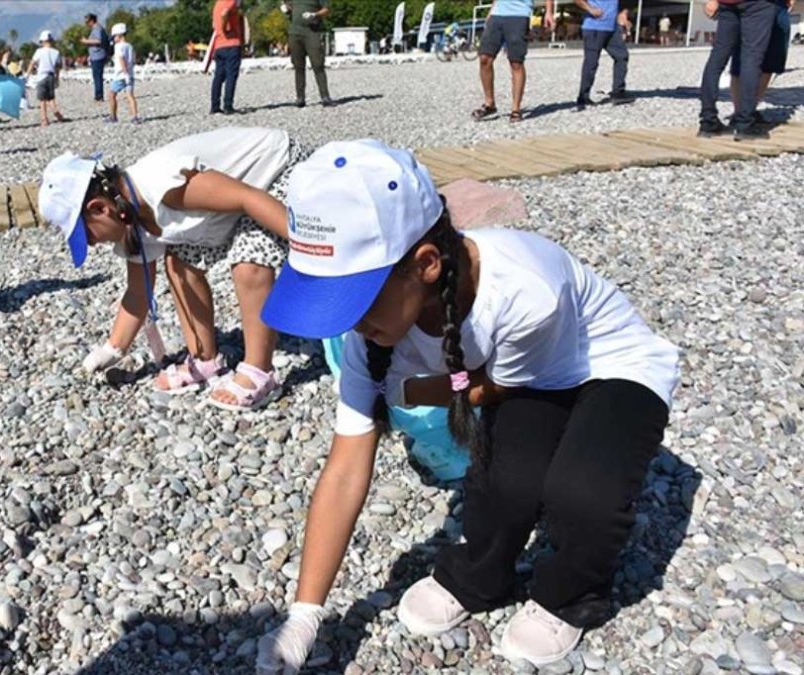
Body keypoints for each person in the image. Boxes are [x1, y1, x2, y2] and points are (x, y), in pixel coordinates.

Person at [254, 140, 679, 671]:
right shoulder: (373, 333)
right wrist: (305, 615)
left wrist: (411, 392)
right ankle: (477, 575)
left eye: (354, 301)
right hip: (519, 373)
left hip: (609, 367)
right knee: (505, 479)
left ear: (426, 264)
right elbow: (344, 469)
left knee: (581, 493)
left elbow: (495, 388)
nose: (348, 324)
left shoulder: (524, 291)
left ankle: (568, 595)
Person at [37, 128, 310, 411]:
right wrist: (112, 349)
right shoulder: (131, 220)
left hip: (278, 170)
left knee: (249, 263)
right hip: (241, 194)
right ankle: (204, 358)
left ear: (99, 209)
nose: (92, 245)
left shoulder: (161, 186)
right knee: (178, 260)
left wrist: (310, 248)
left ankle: (259, 371)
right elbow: (138, 291)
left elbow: (247, 198)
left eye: (88, 236)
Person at [698, 0, 778, 139]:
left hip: (727, 2)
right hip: (759, 5)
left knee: (717, 58)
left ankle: (708, 121)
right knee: (752, 58)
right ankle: (745, 123)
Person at [474, 0, 555, 122]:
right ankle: (489, 104)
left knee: (516, 63)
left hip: (519, 15)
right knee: (484, 58)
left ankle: (516, 108)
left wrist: (549, 12)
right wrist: (491, 11)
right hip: (497, 15)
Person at [729, 0, 794, 124]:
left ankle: (750, 109)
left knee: (772, 60)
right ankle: (739, 112)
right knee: (742, 59)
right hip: (753, 5)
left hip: (780, 5)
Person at [575, 0, 635, 110]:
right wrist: (590, 9)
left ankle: (618, 93)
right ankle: (583, 97)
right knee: (591, 62)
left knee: (622, 56)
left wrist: (624, 14)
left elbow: (623, 5)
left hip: (612, 28)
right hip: (594, 27)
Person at [282, 1, 333, 107]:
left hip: (312, 32)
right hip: (295, 33)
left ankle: (325, 96)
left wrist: (315, 14)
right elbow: (287, 6)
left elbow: (327, 9)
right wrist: (286, 10)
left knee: (318, 65)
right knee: (298, 67)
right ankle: (300, 98)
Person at [211, 0, 244, 115]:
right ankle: (228, 105)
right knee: (231, 76)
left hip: (219, 45)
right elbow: (225, 14)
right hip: (231, 43)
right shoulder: (231, 1)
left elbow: (214, 25)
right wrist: (226, 28)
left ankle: (215, 106)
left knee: (218, 76)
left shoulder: (217, 4)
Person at [30, 30, 66, 127]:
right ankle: (57, 113)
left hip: (41, 76)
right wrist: (57, 79)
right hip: (51, 76)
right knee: (51, 97)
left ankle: (44, 119)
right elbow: (58, 67)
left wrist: (27, 74)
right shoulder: (56, 52)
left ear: (43, 41)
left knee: (42, 100)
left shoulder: (39, 51)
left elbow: (32, 63)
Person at [107, 23, 139, 124]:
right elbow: (133, 60)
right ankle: (135, 116)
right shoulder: (130, 46)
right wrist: (129, 73)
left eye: (114, 36)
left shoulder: (118, 46)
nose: (113, 39)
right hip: (130, 75)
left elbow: (121, 59)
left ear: (119, 35)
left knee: (111, 95)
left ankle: (113, 116)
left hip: (120, 75)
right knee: (130, 95)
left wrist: (124, 73)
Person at [80, 13, 109, 106]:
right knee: (97, 77)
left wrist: (86, 41)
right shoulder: (97, 28)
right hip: (96, 56)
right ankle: (98, 95)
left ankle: (99, 96)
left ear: (92, 20)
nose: (86, 24)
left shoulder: (97, 29)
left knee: (97, 77)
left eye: (87, 22)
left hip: (98, 56)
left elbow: (98, 41)